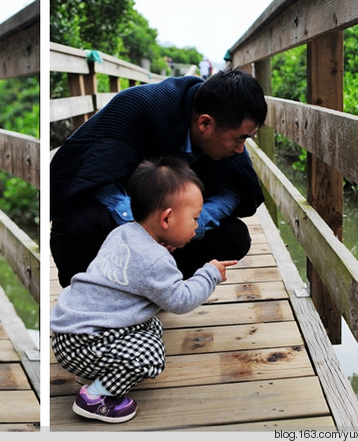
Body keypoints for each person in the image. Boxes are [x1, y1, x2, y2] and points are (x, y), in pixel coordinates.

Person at [51, 157, 238, 423]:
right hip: (84, 342)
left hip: (68, 332)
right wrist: (209, 275)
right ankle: (96, 397)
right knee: (151, 354)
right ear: (167, 218)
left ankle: (101, 371)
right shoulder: (155, 261)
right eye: (195, 219)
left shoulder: (123, 232)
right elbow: (181, 300)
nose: (197, 225)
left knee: (151, 327)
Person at [50, 68, 267, 288]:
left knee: (234, 236)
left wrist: (193, 224)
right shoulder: (139, 107)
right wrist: (143, 228)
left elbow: (233, 190)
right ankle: (87, 300)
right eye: (240, 139)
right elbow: (90, 175)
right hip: (119, 223)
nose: (241, 150)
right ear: (205, 124)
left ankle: (158, 291)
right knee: (82, 222)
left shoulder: (222, 128)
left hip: (170, 229)